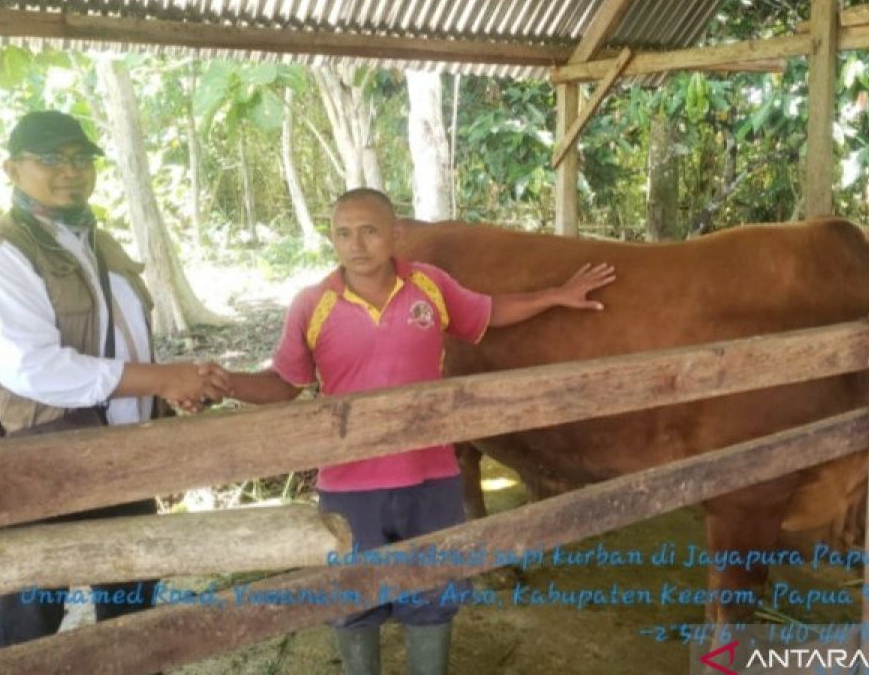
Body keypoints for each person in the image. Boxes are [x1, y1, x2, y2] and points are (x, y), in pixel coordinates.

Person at [225, 187, 615, 675]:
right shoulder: (312, 305)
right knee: (353, 600)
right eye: (343, 233)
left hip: (431, 478)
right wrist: (226, 382)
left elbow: (489, 312)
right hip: (349, 486)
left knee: (432, 592)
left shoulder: (429, 286)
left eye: (369, 231)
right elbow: (284, 383)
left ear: (396, 235)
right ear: (332, 239)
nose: (356, 244)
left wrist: (555, 296)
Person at [0, 109, 229, 649]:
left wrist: (166, 393)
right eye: (51, 159)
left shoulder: (96, 243)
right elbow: (35, 368)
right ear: (12, 169)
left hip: (121, 454)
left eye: (81, 159)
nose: (70, 171)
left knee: (131, 602)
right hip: (41, 461)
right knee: (34, 609)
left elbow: (120, 338)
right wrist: (160, 378)